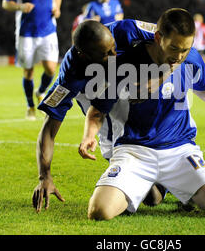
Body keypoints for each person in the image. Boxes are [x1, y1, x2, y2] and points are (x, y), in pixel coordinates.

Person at [80, 8, 205, 221]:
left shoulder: (191, 57)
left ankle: (186, 191)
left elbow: (203, 86)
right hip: (134, 150)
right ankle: (169, 188)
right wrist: (88, 135)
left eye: (185, 49)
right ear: (158, 37)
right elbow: (98, 110)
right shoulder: (127, 62)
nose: (179, 56)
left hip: (179, 150)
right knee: (99, 211)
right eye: (174, 48)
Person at [32, 19, 166, 212]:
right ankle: (164, 182)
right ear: (84, 55)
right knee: (150, 196)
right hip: (100, 110)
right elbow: (49, 130)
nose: (114, 54)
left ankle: (174, 167)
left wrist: (160, 76)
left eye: (113, 48)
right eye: (106, 54)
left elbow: (171, 36)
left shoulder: (126, 30)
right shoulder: (70, 76)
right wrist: (44, 177)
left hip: (137, 89)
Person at [2, 0, 62, 120]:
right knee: (28, 71)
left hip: (48, 31)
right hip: (26, 33)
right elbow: (5, 2)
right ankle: (30, 105)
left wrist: (57, 7)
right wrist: (20, 6)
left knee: (51, 69)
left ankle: (41, 91)